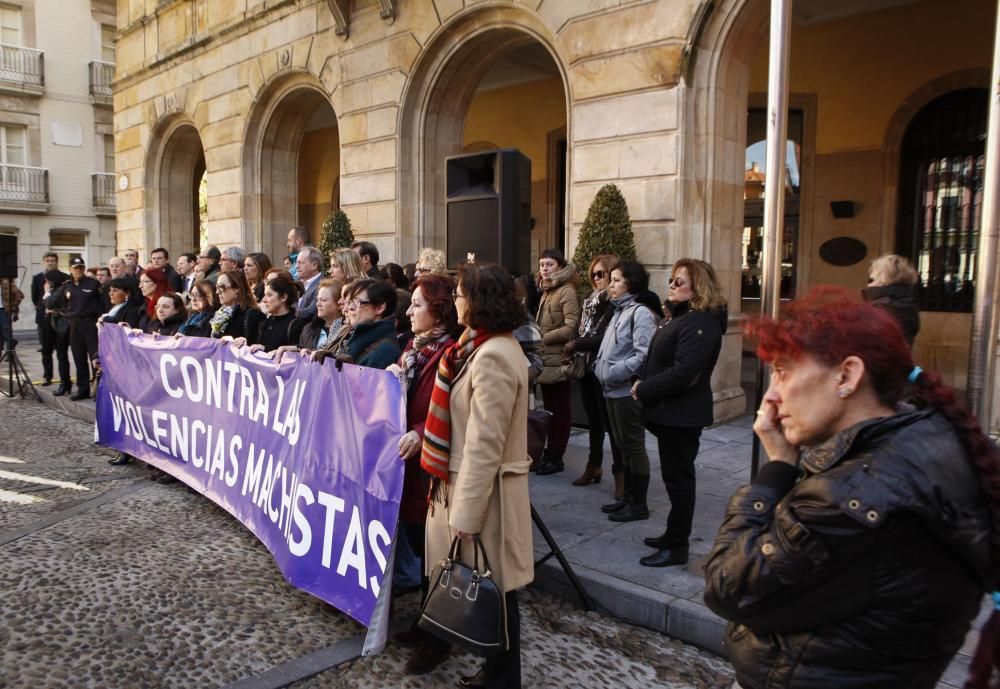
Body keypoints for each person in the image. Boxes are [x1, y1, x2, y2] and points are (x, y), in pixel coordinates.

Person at [703, 287, 993, 689]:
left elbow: (728, 587)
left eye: (784, 371)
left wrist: (776, 471)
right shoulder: (921, 441)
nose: (769, 396)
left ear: (847, 375)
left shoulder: (850, 499)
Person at [421, 263, 533, 689]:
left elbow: (486, 444)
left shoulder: (493, 356)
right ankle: (494, 674)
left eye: (461, 295)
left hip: (485, 498)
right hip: (466, 486)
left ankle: (503, 680)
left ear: (481, 301)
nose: (456, 302)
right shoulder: (475, 348)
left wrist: (466, 512)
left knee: (496, 591)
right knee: (492, 589)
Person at [631, 259, 727, 567]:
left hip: (682, 414)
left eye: (678, 282)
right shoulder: (681, 317)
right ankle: (672, 534)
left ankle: (677, 545)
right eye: (671, 280)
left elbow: (685, 372)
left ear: (698, 288)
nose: (671, 286)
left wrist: (644, 389)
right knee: (674, 479)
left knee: (680, 481)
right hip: (667, 412)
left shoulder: (702, 322)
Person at [388, 273, 460, 676]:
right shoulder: (412, 349)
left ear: (439, 309)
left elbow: (449, 407)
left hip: (430, 467)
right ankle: (425, 619)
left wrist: (418, 432)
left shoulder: (449, 351)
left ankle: (440, 636)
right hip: (409, 467)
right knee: (419, 543)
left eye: (417, 304)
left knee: (436, 555)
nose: (410, 310)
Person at [590, 260, 659, 523]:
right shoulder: (619, 310)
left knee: (633, 446)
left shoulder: (639, 312)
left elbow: (643, 355)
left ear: (630, 283)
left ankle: (638, 503)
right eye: (612, 279)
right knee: (621, 445)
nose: (611, 285)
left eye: (617, 280)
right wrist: (600, 368)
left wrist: (615, 372)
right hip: (610, 390)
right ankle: (628, 498)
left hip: (625, 392)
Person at [563, 254, 623, 492]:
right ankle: (593, 465)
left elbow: (604, 337)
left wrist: (577, 344)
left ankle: (621, 474)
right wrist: (574, 344)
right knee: (594, 422)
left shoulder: (614, 302)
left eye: (602, 274)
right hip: (586, 367)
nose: (597, 279)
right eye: (594, 274)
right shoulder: (589, 300)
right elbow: (580, 328)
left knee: (611, 424)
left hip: (605, 367)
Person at [533, 249, 582, 475]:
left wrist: (543, 338)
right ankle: (549, 453)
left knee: (560, 411)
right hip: (546, 359)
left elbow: (571, 327)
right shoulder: (547, 290)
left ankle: (556, 456)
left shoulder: (566, 290)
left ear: (560, 266)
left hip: (559, 359)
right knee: (550, 410)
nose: (544, 268)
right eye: (542, 264)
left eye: (549, 264)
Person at [46, 257, 102, 400]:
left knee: (95, 358)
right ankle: (83, 389)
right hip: (75, 325)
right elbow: (51, 303)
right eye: (76, 268)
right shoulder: (66, 286)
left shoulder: (93, 284)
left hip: (91, 324)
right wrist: (49, 293)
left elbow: (102, 303)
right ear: (70, 269)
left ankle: (99, 390)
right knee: (79, 358)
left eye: (81, 268)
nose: (79, 270)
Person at [315, 279, 399, 368]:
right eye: (351, 302)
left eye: (357, 302)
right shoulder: (355, 336)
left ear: (379, 308)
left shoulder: (386, 350)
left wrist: (349, 369)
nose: (350, 307)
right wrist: (330, 363)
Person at [862, 252, 920, 347]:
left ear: (884, 281)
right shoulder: (906, 304)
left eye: (872, 280)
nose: (869, 285)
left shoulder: (884, 308)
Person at [32, 253, 68, 386]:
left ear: (57, 262)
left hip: (60, 319)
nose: (50, 263)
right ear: (43, 262)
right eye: (47, 260)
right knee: (46, 349)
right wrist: (44, 307)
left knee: (61, 351)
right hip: (45, 319)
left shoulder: (65, 278)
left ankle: (65, 380)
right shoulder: (37, 278)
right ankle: (47, 376)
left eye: (53, 260)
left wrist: (57, 309)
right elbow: (35, 298)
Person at [249, 275, 305, 352]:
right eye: (264, 295)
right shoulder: (264, 323)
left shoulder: (296, 325)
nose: (264, 300)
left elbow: (295, 356)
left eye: (269, 295)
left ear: (283, 297)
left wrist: (265, 348)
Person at [210, 270, 264, 342]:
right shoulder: (220, 314)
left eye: (221, 287)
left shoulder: (253, 315)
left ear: (236, 289)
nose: (217, 292)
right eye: (217, 287)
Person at [41, 270, 72, 395]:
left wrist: (47, 292)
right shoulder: (61, 288)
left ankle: (65, 383)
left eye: (47, 281)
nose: (46, 283)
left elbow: (49, 303)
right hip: (56, 324)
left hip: (62, 325)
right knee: (56, 354)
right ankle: (64, 382)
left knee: (62, 355)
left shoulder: (61, 289)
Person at [297, 279, 344, 351]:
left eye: (324, 300)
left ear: (339, 303)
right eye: (318, 300)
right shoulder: (308, 329)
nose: (318, 304)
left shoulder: (348, 331)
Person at [294, 246, 323, 321]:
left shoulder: (322, 286)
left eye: (301, 263)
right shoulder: (296, 282)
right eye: (297, 262)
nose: (296, 266)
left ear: (314, 265)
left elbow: (310, 313)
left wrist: (286, 308)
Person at [137, 268, 170, 333]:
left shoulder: (168, 303)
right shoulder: (145, 305)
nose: (140, 286)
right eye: (140, 282)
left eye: (145, 282)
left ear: (157, 282)